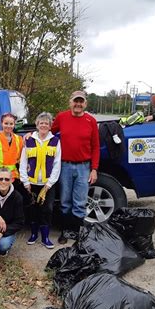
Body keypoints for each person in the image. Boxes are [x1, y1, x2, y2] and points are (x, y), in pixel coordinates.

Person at [51, 91, 100, 244]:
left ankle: (77, 232)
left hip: (84, 167)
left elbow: (96, 147)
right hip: (65, 166)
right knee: (65, 200)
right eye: (75, 101)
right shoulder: (62, 117)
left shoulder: (90, 121)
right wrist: (31, 136)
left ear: (85, 103)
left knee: (79, 201)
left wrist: (94, 169)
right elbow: (48, 133)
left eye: (81, 101)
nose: (78, 104)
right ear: (70, 102)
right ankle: (65, 231)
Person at [19, 112, 61, 249]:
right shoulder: (29, 140)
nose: (43, 125)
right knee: (32, 209)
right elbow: (23, 162)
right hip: (31, 184)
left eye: (46, 123)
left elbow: (57, 164)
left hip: (47, 185)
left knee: (47, 210)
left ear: (50, 126)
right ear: (37, 125)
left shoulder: (55, 141)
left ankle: (45, 237)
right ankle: (33, 234)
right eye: (41, 123)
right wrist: (25, 182)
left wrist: (49, 184)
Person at [0, 113, 23, 179]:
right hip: (0, 176)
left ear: (14, 125)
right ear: (1, 123)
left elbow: (21, 160)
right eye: (6, 123)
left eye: (11, 124)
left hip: (14, 176)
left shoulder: (18, 139)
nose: (8, 126)